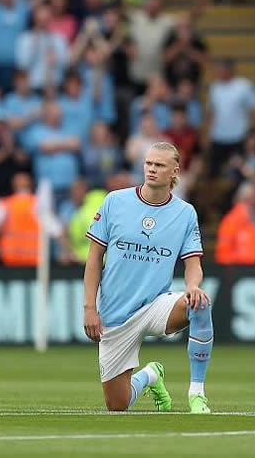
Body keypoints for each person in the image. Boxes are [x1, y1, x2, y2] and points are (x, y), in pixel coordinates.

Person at [83, 141, 212, 413]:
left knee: (200, 303)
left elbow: (193, 264)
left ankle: (197, 394)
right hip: (115, 314)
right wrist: (89, 308)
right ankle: (151, 375)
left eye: (159, 165)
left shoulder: (185, 213)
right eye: (148, 163)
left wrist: (192, 286)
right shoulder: (115, 201)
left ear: (174, 171)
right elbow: (94, 258)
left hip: (155, 305)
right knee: (117, 404)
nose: (152, 169)